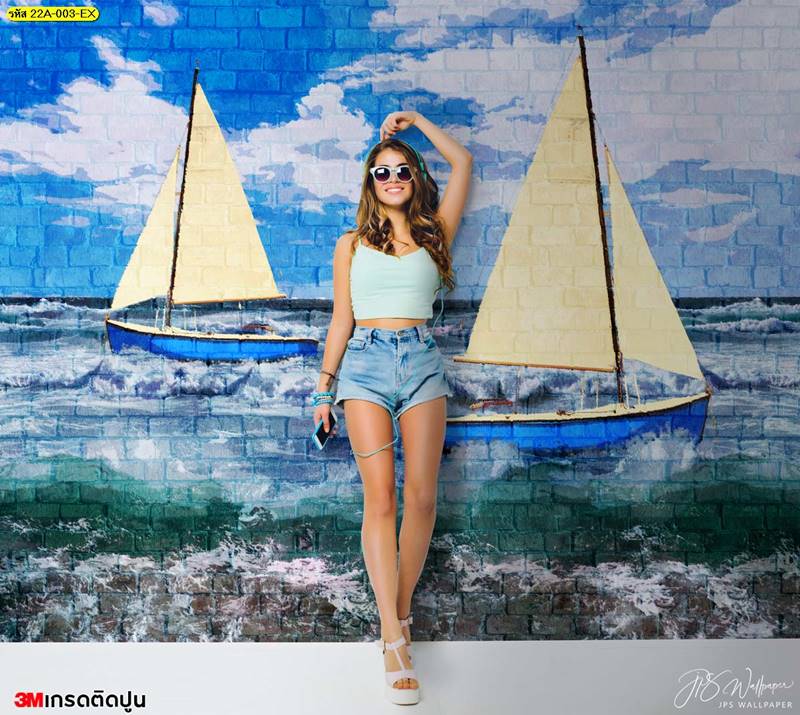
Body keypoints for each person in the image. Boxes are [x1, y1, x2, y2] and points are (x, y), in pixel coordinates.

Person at [310, 110, 472, 705]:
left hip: (422, 362)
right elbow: (341, 321)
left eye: (402, 170)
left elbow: (463, 162)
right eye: (382, 171)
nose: (393, 178)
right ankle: (394, 640)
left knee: (422, 498)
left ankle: (394, 619)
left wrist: (417, 122)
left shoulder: (435, 233)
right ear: (370, 183)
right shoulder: (350, 245)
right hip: (365, 367)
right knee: (380, 498)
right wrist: (323, 390)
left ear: (415, 177)